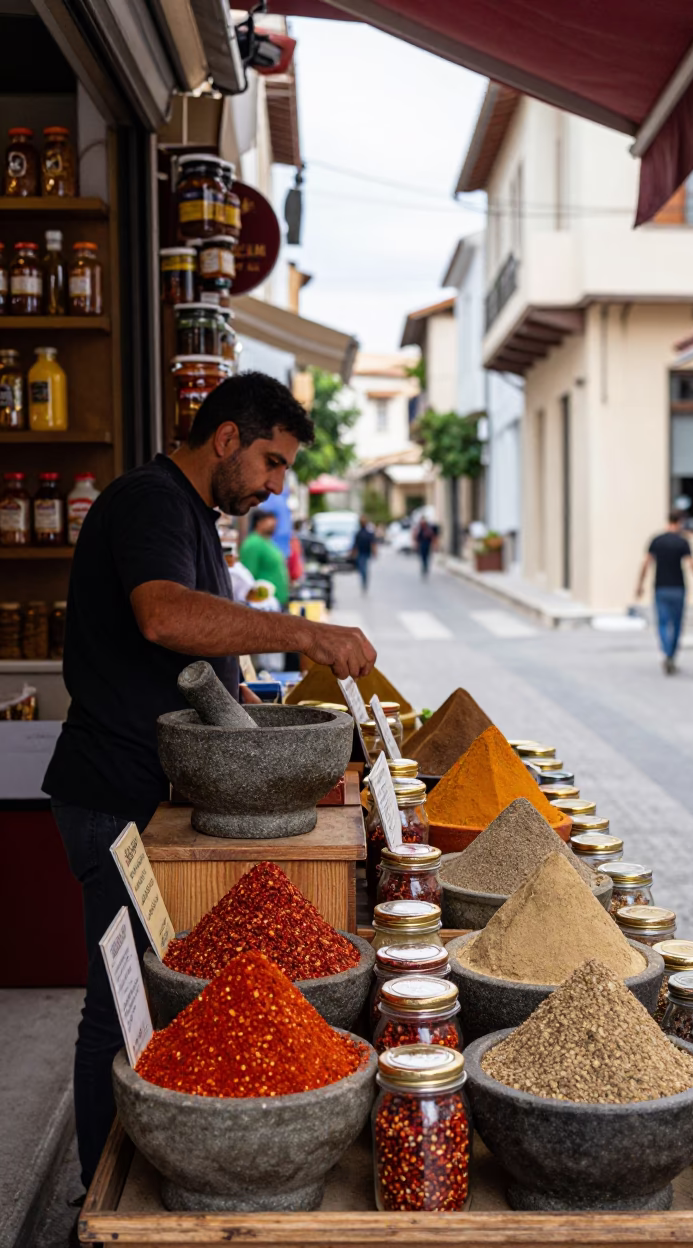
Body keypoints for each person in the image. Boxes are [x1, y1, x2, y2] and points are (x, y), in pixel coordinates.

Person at [43, 371, 376, 1194]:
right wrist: (303, 631)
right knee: (116, 1013)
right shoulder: (152, 502)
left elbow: (185, 649)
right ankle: (101, 1195)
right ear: (226, 437)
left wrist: (244, 693)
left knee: (144, 1010)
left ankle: (131, 1172)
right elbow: (163, 614)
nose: (274, 485)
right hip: (116, 797)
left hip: (147, 795)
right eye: (270, 461)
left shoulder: (189, 512)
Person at [636, 510, 693, 674]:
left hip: (660, 587)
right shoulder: (682, 542)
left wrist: (639, 585)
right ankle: (672, 655)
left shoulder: (656, 540)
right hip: (678, 587)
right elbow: (692, 563)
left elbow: (646, 563)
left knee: (662, 623)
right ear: (680, 521)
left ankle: (666, 653)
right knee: (677, 623)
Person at [239, 509, 290, 606]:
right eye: (269, 521)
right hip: (264, 604)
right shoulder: (253, 543)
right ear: (259, 523)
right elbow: (247, 575)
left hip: (275, 602)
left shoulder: (267, 541)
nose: (274, 524)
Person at [350, 515, 376, 592]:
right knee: (362, 568)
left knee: (363, 568)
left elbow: (373, 543)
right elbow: (355, 545)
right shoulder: (359, 533)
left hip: (365, 552)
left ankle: (364, 582)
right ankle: (364, 581)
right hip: (361, 553)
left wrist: (374, 552)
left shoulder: (368, 533)